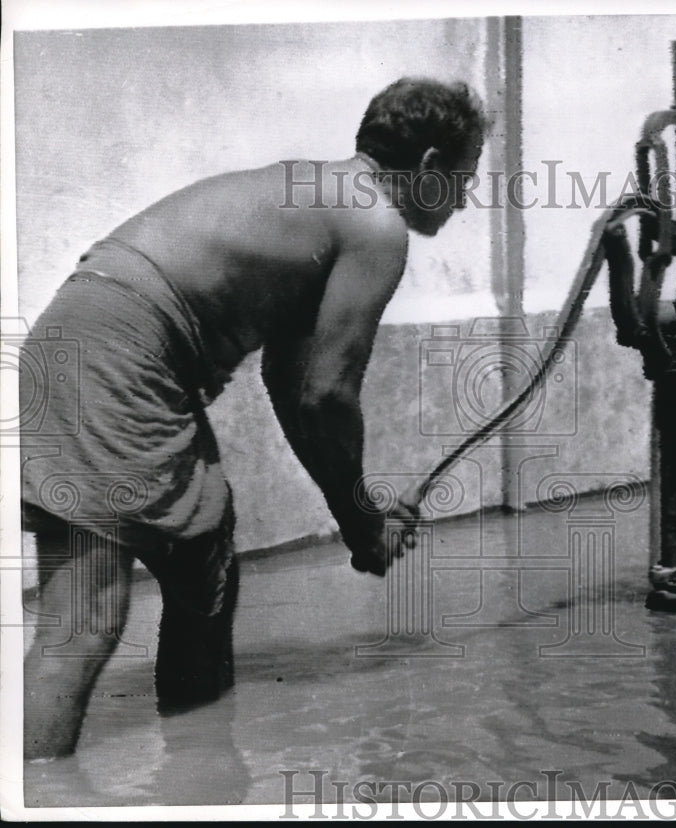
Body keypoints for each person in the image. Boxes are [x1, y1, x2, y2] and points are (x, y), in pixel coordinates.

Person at [20, 77, 487, 759]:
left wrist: (361, 520)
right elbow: (328, 398)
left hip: (71, 334)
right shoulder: (376, 221)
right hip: (123, 353)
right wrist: (363, 525)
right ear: (428, 166)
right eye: (465, 177)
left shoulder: (317, 197)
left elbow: (292, 385)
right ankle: (51, 793)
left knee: (204, 565)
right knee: (83, 624)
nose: (467, 198)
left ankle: (199, 774)